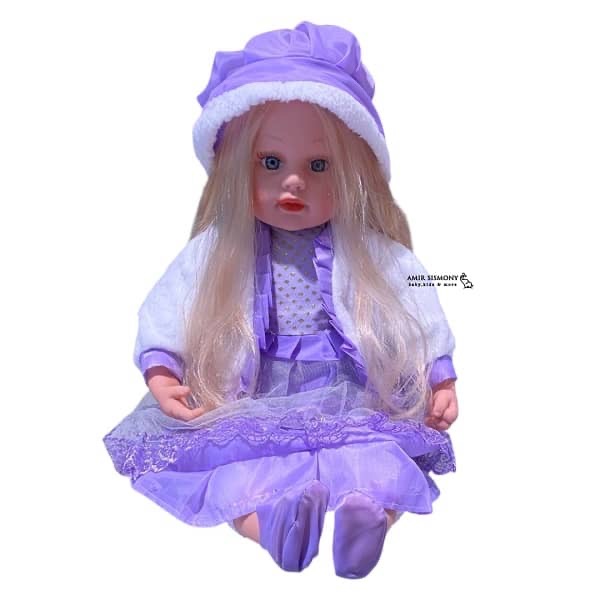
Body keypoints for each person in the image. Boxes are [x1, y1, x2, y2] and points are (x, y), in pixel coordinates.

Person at [104, 21, 459, 579]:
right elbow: (168, 304)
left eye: (319, 166)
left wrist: (440, 375)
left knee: (378, 457)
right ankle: (272, 526)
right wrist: (162, 366)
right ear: (236, 166)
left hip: (349, 388)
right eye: (270, 163)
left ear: (355, 173)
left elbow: (420, 302)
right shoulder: (220, 249)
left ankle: (367, 521)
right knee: (238, 467)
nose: (293, 182)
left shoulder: (370, 251)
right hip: (253, 389)